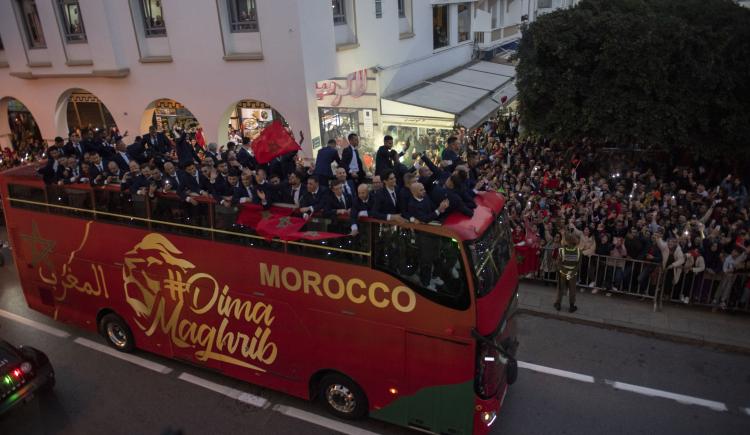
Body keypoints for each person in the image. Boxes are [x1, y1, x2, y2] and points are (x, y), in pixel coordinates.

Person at [555, 232, 580, 313]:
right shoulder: (579, 252)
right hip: (572, 274)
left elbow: (558, 263)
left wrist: (563, 272)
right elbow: (578, 265)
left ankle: (558, 304)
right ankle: (571, 306)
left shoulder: (561, 251)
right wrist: (571, 273)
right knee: (572, 290)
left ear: (567, 241)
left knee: (560, 288)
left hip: (563, 273)